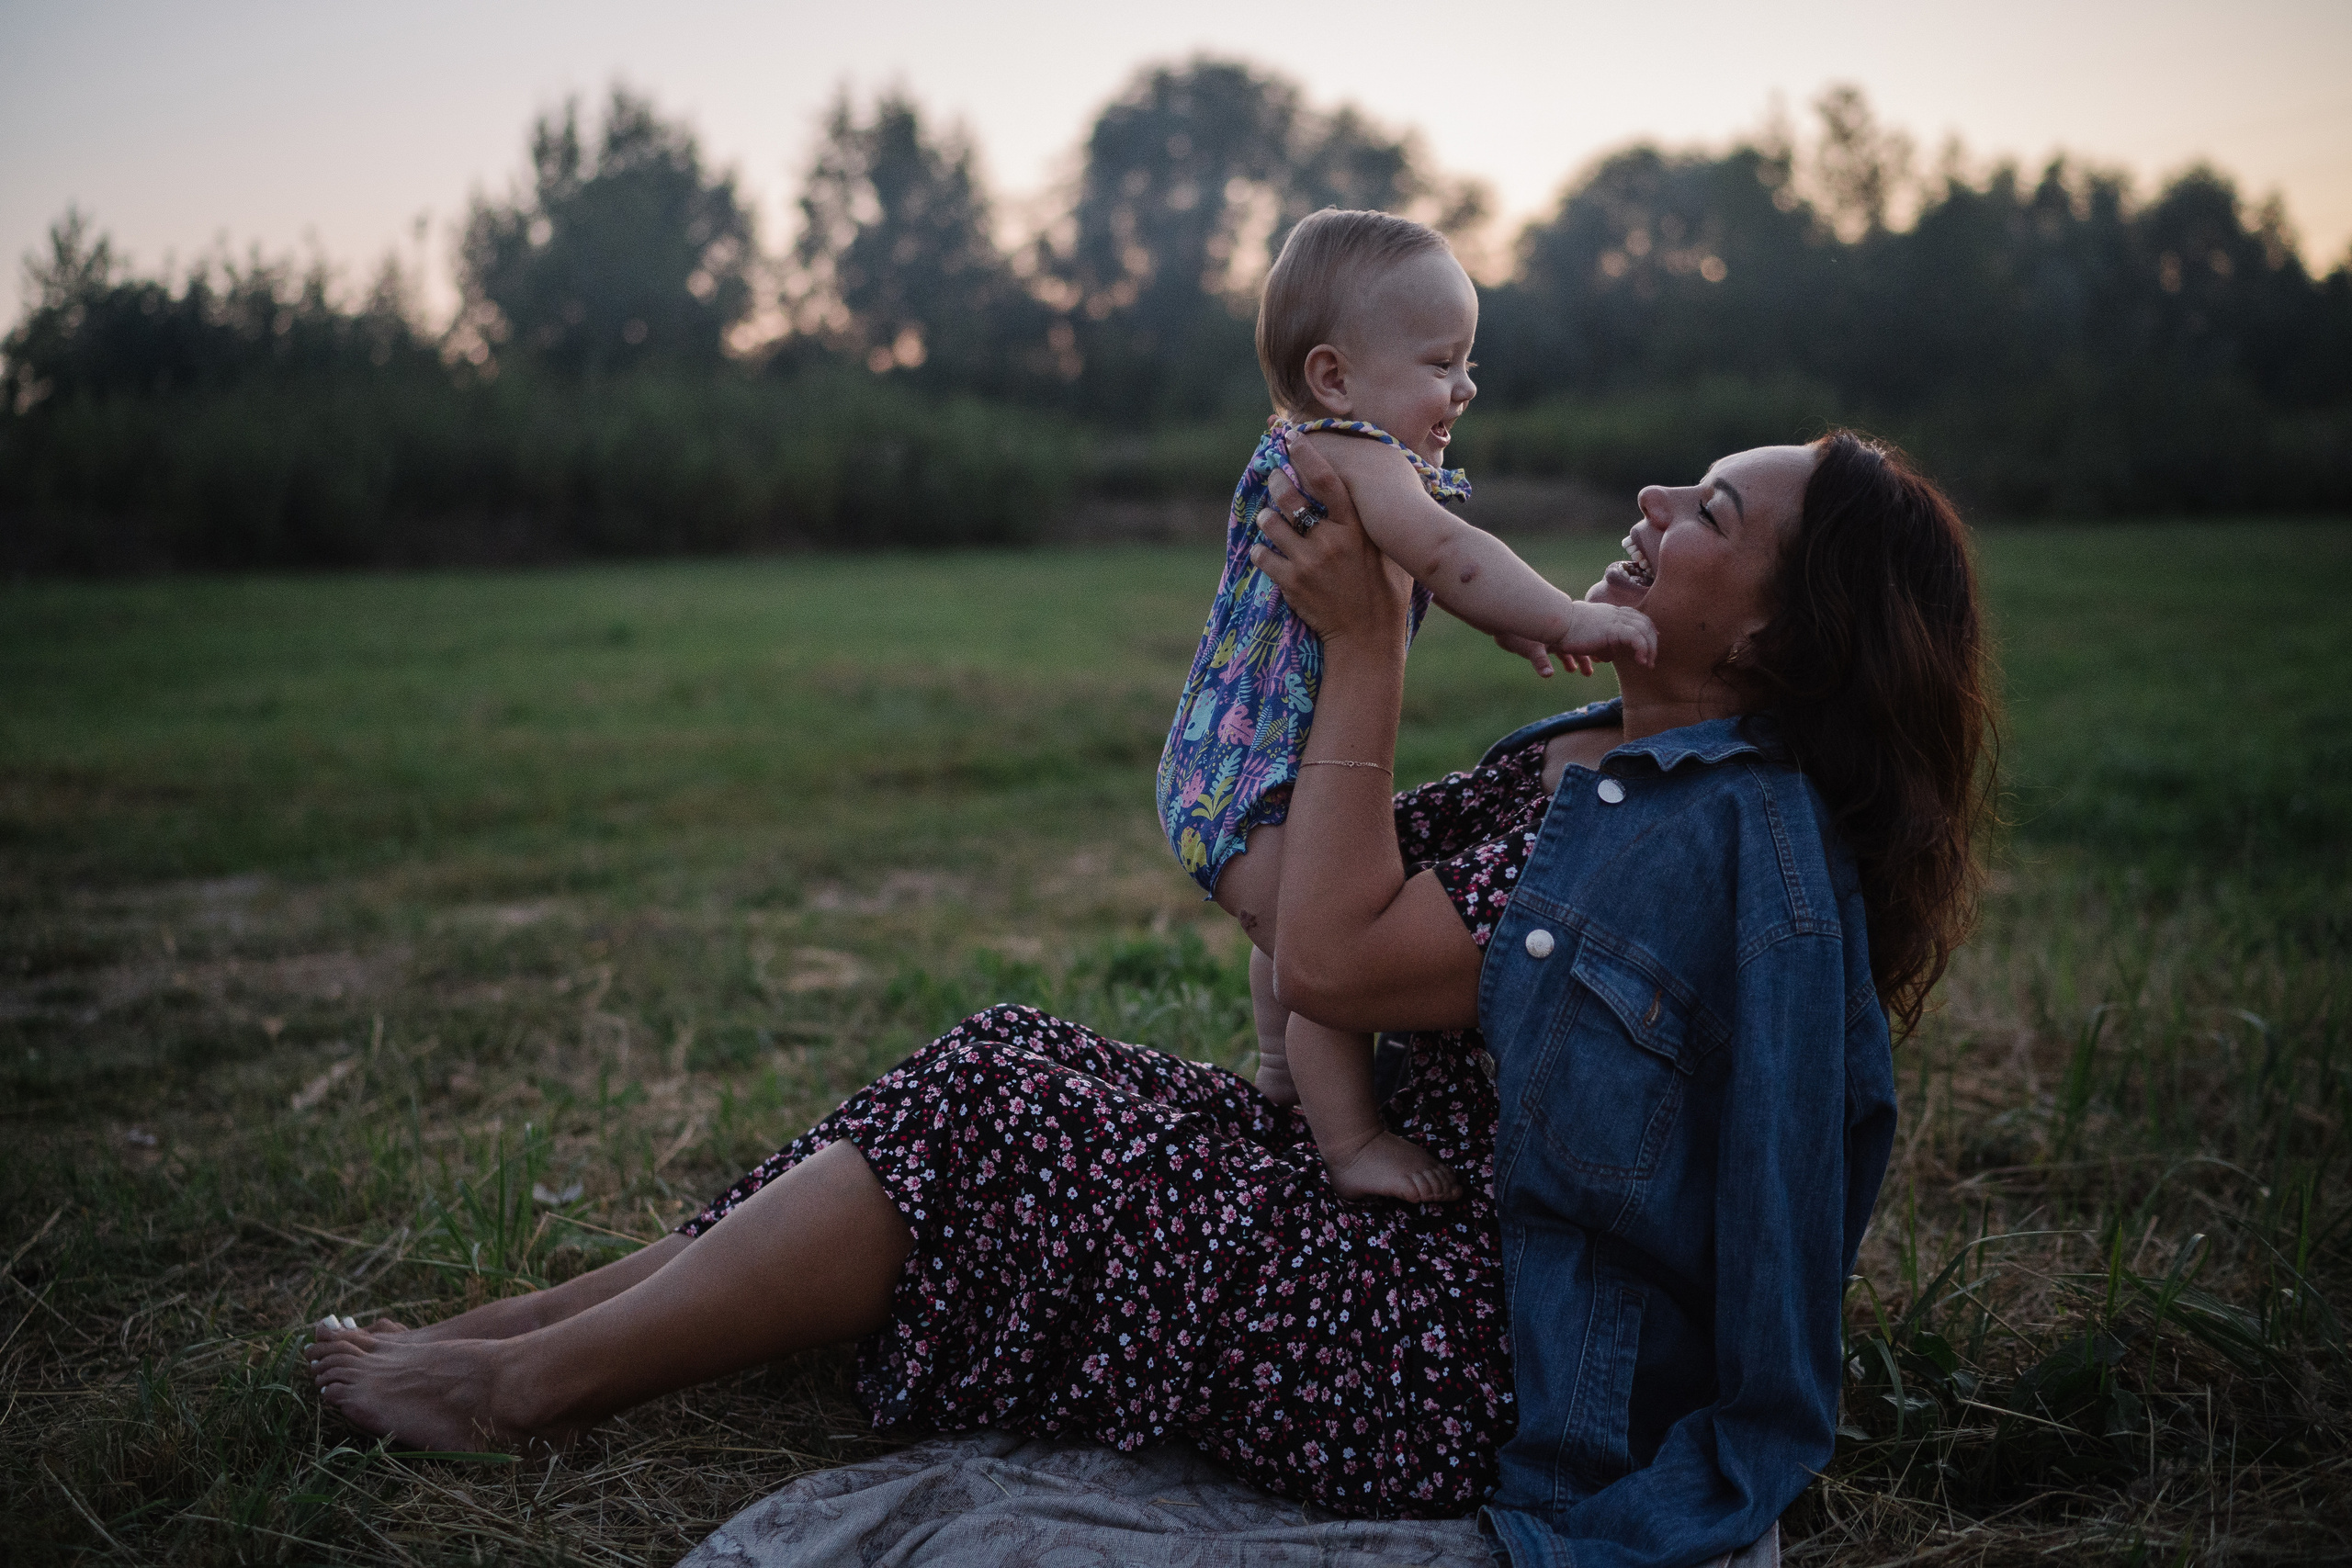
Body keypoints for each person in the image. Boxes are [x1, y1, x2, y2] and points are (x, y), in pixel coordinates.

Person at [310, 430, 1991, 1568]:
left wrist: (1370, 652)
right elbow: (1317, 917)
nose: (1649, 498)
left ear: (1782, 634)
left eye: (1709, 513)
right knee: (1005, 1061)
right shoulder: (1606, 757)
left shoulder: (1701, 837)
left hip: (1471, 1343)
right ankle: (527, 1335)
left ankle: (522, 1395)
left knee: (1001, 1117)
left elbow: (1336, 954)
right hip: (1399, 1220)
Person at [1159, 207, 1653, 1206]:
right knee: (1326, 956)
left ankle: (1282, 1082)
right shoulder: (1353, 454)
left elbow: (1442, 573)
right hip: (1255, 773)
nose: (1463, 387)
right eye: (1440, 362)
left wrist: (1504, 623)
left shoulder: (1322, 452)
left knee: (1298, 927)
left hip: (1225, 764)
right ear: (1334, 375)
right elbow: (1449, 555)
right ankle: (1349, 1143)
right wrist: (1561, 617)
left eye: (1467, 362)